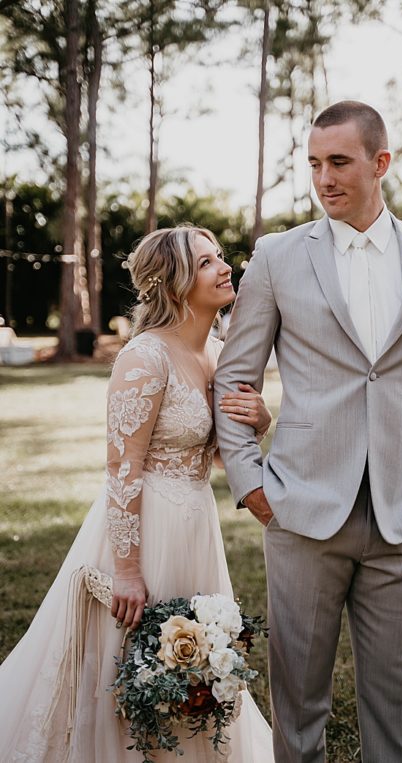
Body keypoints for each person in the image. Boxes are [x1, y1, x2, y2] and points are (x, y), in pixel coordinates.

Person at [214, 100, 402, 762]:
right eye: (314, 163)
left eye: (339, 161)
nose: (324, 177)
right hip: (302, 511)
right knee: (299, 705)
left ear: (380, 163)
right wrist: (251, 481)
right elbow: (233, 379)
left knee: (397, 702)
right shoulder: (277, 257)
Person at [0, 225, 275, 761]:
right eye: (204, 263)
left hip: (196, 523)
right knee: (132, 658)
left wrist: (258, 422)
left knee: (194, 663)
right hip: (144, 529)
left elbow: (211, 453)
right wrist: (126, 570)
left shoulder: (221, 353)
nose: (224, 267)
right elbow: (123, 469)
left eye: (220, 256)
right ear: (174, 283)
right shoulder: (145, 357)